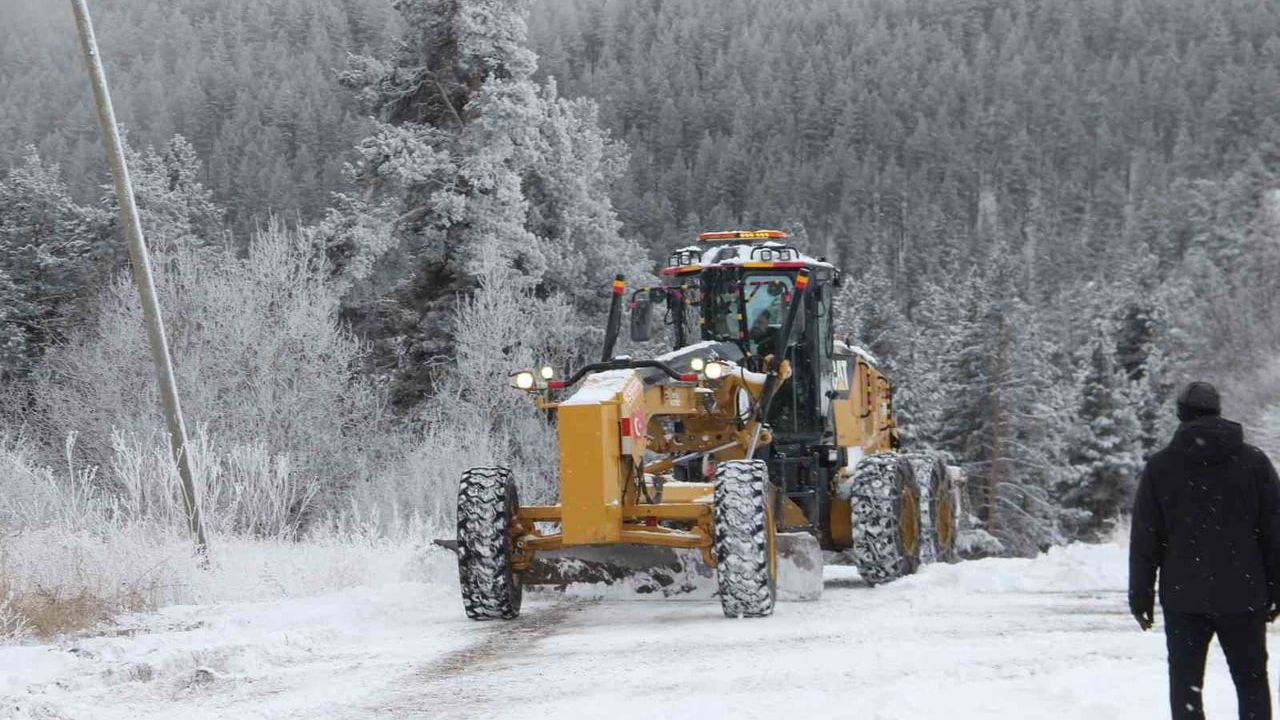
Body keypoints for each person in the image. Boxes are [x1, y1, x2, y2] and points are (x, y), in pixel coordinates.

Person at [1129, 381, 1280, 720]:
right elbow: (1274, 533)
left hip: (1184, 596)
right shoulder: (1254, 464)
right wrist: (1276, 589)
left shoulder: (1161, 467)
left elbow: (1145, 538)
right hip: (1244, 594)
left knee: (1186, 684)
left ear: (1181, 415)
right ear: (1218, 411)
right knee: (1251, 681)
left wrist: (1140, 594)